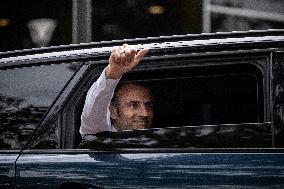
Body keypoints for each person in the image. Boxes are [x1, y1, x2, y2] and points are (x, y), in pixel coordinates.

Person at [80, 44, 153, 136]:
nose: (145, 113)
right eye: (133, 105)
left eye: (148, 105)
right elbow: (94, 115)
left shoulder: (160, 141)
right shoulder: (102, 140)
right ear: (112, 111)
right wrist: (113, 74)